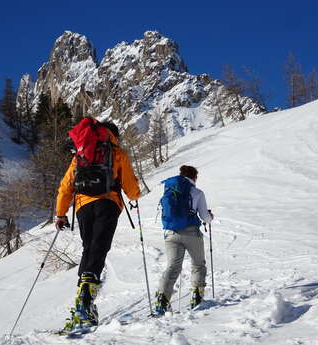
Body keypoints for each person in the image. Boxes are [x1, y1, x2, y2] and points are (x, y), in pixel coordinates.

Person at [55, 120, 141, 329]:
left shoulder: (81, 155)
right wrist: (135, 194)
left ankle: (82, 297)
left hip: (83, 206)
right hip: (107, 202)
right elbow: (131, 188)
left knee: (89, 248)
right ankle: (86, 300)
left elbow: (66, 186)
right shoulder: (117, 152)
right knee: (99, 248)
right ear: (114, 135)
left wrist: (60, 214)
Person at [155, 165, 214, 314]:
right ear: (194, 177)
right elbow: (205, 217)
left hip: (170, 233)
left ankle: (162, 300)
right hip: (191, 233)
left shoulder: (170, 189)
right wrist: (210, 216)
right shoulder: (197, 192)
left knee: (173, 267)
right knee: (198, 265)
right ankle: (197, 297)